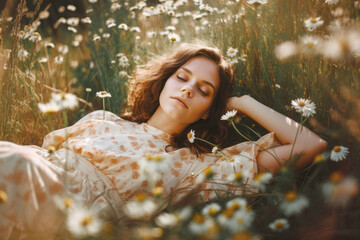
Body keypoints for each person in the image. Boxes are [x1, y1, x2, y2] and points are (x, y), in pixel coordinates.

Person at [0, 41, 327, 239]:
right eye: (182, 77)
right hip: (29, 170)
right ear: (165, 81)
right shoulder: (103, 119)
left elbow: (311, 146)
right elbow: (46, 154)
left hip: (64, 207)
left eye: (204, 90)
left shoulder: (195, 166)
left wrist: (242, 102)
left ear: (207, 111)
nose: (187, 88)